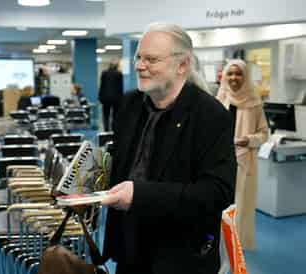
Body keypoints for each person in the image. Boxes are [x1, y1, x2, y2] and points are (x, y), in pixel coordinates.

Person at [101, 23, 236, 274]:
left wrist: (139, 195)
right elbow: (121, 163)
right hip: (129, 250)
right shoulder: (130, 105)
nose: (140, 66)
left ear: (182, 65)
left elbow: (217, 193)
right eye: (138, 57)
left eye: (151, 59)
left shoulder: (210, 115)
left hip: (179, 257)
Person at [216, 59, 269, 250]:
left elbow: (264, 133)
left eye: (238, 74)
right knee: (219, 204)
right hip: (219, 161)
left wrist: (249, 139)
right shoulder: (219, 100)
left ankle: (235, 247)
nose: (234, 78)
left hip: (243, 161)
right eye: (230, 74)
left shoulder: (254, 103)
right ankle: (219, 246)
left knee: (240, 207)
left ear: (245, 77)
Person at [98, 59, 123, 132]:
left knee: (106, 115)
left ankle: (106, 130)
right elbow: (120, 87)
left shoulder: (104, 73)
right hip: (116, 98)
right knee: (115, 115)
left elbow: (102, 86)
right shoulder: (119, 74)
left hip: (105, 97)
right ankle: (114, 129)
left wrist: (100, 97)